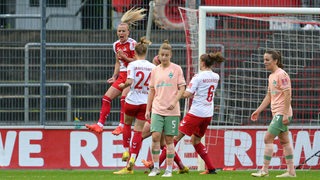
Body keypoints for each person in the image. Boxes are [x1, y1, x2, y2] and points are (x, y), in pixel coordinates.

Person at [85, 8, 147, 135]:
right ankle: (100, 124)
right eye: (119, 31)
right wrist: (114, 76)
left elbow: (137, 62)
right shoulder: (116, 45)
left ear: (128, 32)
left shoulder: (132, 44)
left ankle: (121, 125)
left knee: (123, 98)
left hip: (131, 75)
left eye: (123, 31)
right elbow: (118, 62)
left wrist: (125, 57)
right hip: (122, 75)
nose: (121, 33)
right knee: (107, 97)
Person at [171, 52, 224, 175]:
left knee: (174, 138)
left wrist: (177, 90)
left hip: (196, 113)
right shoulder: (216, 76)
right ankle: (211, 168)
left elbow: (187, 94)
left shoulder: (198, 77)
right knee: (195, 140)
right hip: (207, 114)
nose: (199, 64)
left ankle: (153, 165)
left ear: (203, 63)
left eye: (200, 61)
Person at [113, 37, 155, 174]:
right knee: (138, 131)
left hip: (132, 101)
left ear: (135, 53)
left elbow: (129, 81)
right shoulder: (152, 67)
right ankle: (132, 158)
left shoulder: (132, 65)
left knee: (126, 124)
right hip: (145, 102)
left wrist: (122, 84)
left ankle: (126, 151)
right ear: (146, 52)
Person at [250, 50, 296, 178]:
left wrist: (286, 113)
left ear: (275, 61)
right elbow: (269, 96)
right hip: (277, 112)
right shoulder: (271, 76)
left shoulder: (282, 74)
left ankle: (264, 170)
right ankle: (291, 171)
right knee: (285, 142)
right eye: (264, 59)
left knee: (268, 138)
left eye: (267, 60)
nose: (264, 62)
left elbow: (288, 94)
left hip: (282, 112)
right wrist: (258, 110)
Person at [145, 40, 186, 177]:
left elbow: (182, 88)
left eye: (166, 55)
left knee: (169, 140)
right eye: (162, 55)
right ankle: (156, 167)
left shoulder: (176, 69)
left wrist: (175, 101)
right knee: (155, 137)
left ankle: (169, 169)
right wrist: (147, 109)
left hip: (172, 111)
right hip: (157, 109)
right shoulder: (155, 70)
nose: (164, 57)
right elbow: (151, 91)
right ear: (159, 55)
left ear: (170, 55)